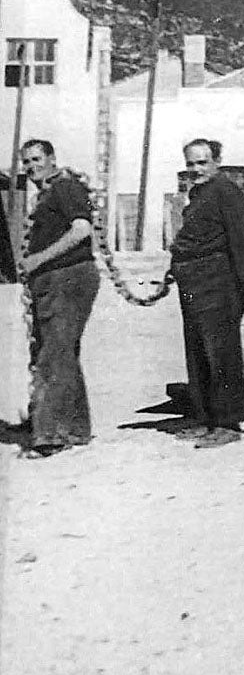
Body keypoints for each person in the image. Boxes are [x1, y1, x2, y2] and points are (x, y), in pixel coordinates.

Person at [169, 138, 244, 448]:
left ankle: (227, 423)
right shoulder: (198, 194)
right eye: (191, 163)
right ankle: (205, 418)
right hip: (193, 285)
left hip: (220, 286)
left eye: (202, 162)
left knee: (221, 356)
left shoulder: (228, 193)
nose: (195, 169)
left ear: (217, 161)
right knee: (198, 355)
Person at [15, 140, 98, 458]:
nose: (31, 166)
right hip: (55, 280)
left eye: (37, 159)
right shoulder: (48, 193)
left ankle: (50, 435)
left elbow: (81, 230)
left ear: (52, 159)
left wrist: (40, 259)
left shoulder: (66, 187)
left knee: (53, 355)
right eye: (26, 161)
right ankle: (75, 428)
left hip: (69, 277)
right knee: (61, 352)